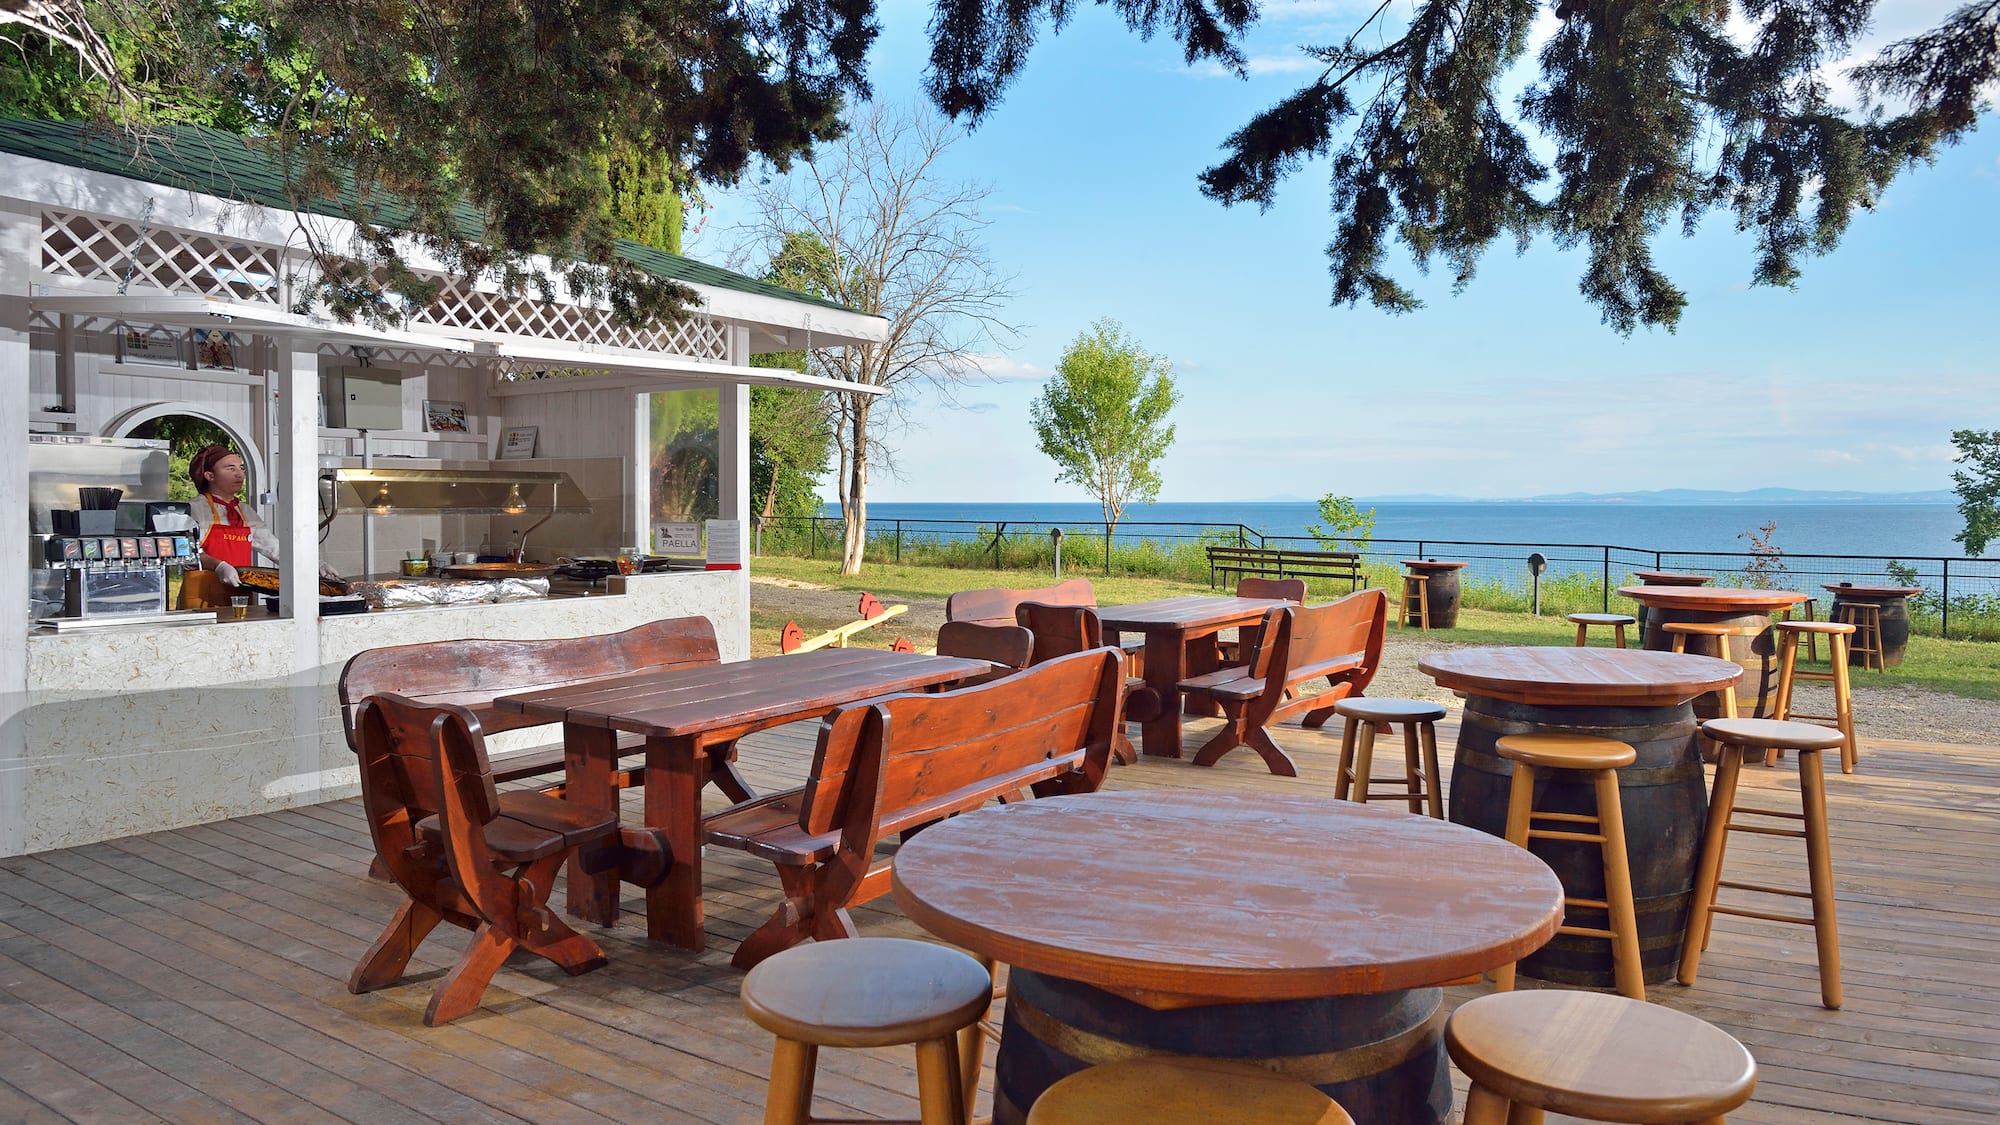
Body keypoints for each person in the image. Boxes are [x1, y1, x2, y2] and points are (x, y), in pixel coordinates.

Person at [178, 445, 338, 610]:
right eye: (230, 468)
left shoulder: (245, 511)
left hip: (239, 596)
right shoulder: (194, 509)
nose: (239, 474)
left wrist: (315, 564)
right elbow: (186, 553)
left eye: (241, 468)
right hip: (201, 596)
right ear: (210, 476)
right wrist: (219, 566)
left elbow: (274, 548)